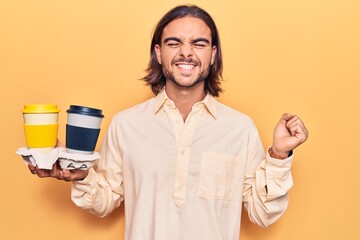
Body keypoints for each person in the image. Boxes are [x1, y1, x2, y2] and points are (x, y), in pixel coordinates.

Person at [28, 4, 308, 240]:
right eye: (174, 43)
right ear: (159, 53)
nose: (186, 53)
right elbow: (104, 202)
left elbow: (262, 214)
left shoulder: (240, 129)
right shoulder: (126, 125)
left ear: (212, 55)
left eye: (199, 43)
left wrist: (278, 156)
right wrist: (82, 173)